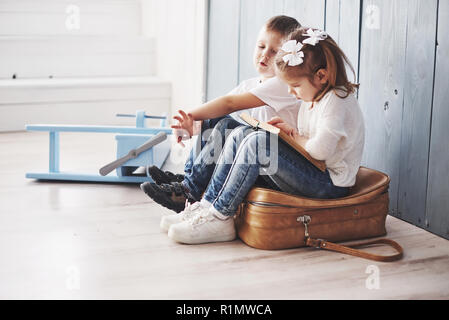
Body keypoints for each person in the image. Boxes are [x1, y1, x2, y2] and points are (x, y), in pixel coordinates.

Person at [164, 27, 365, 244]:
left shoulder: (336, 101)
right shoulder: (315, 97)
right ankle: (206, 207)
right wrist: (289, 133)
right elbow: (311, 143)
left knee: (258, 144)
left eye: (295, 86)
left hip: (330, 184)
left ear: (322, 76)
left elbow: (319, 150)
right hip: (315, 170)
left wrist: (292, 137)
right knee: (240, 132)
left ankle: (220, 216)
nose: (291, 92)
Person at [141, 15, 301, 214]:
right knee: (215, 119)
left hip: (274, 164)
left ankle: (188, 189)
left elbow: (228, 104)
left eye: (274, 51)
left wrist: (191, 113)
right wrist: (193, 125)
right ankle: (188, 179)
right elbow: (215, 113)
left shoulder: (283, 85)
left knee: (226, 124)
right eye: (261, 47)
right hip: (253, 156)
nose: (265, 55)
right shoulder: (250, 85)